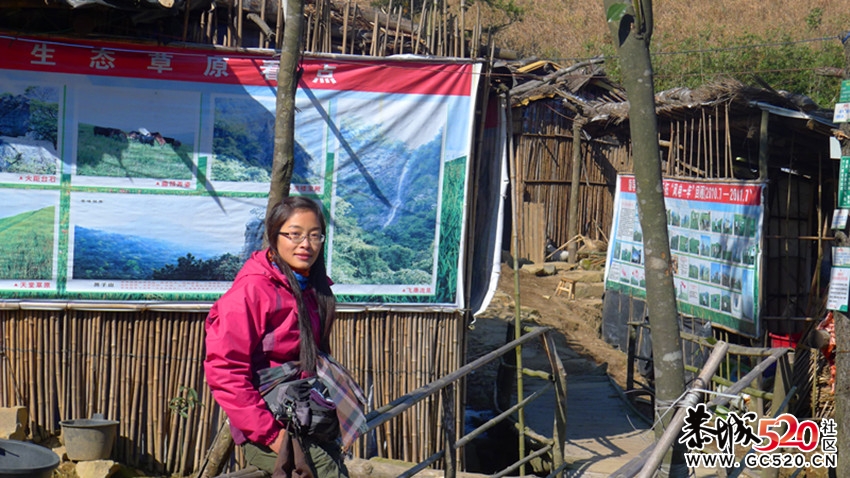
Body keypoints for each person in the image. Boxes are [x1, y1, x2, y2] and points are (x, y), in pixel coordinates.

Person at [205, 196, 359, 477]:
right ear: (274, 237)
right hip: (268, 423)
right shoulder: (250, 293)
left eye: (315, 236)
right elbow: (224, 371)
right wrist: (273, 436)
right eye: (295, 234)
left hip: (304, 414)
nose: (306, 244)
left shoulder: (311, 288)